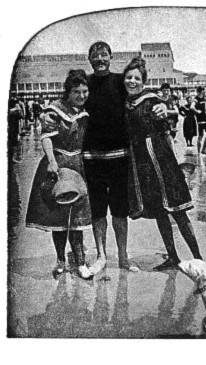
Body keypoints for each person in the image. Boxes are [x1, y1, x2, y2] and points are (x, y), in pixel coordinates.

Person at [79, 41, 165, 274]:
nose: (99, 60)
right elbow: (68, 101)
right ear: (90, 59)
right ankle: (101, 256)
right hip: (91, 157)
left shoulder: (120, 81)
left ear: (110, 57)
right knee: (97, 210)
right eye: (95, 56)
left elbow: (142, 91)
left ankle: (123, 257)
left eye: (104, 55)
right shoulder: (85, 83)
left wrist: (162, 106)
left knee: (119, 211)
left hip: (120, 157)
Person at [122, 57, 203, 270]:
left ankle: (198, 258)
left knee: (178, 210)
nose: (132, 81)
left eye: (137, 78)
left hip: (160, 160)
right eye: (128, 77)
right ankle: (173, 257)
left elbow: (167, 128)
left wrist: (176, 161)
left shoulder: (152, 101)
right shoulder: (125, 104)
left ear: (144, 81)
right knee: (160, 211)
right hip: (141, 165)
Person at [25, 69, 94, 280]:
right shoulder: (55, 110)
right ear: (68, 92)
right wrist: (52, 161)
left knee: (78, 218)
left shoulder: (86, 109)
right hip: (58, 164)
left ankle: (81, 262)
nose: (82, 96)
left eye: (84, 91)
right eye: (76, 92)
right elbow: (46, 137)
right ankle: (61, 260)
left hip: (79, 165)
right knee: (59, 216)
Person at [192, 87, 206, 154]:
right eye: (204, 90)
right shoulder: (196, 99)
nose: (205, 91)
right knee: (201, 136)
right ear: (201, 91)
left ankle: (204, 150)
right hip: (200, 120)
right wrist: (197, 111)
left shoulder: (204, 98)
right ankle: (199, 152)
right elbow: (192, 107)